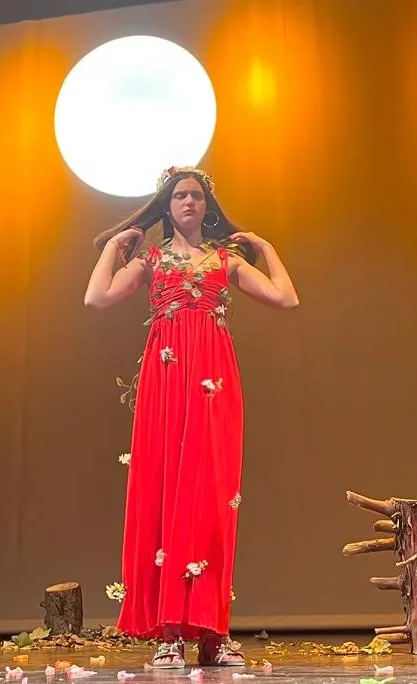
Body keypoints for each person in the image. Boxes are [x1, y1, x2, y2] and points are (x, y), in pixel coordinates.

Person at [86, 166, 300, 669]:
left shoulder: (225, 260)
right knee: (164, 491)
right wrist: (111, 248)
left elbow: (286, 297)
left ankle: (212, 634)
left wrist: (266, 250)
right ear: (167, 204)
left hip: (214, 381)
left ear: (207, 206)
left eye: (196, 197)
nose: (188, 203)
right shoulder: (151, 260)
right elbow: (95, 298)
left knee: (210, 499)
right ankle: (169, 634)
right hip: (166, 382)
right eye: (179, 196)